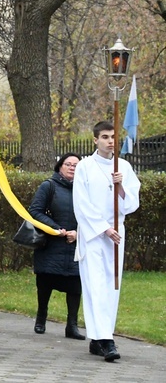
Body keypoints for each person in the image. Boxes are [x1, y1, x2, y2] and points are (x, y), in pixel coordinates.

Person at [73, 121, 140, 362]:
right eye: (104, 137)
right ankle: (105, 340)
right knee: (96, 285)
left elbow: (132, 204)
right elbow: (81, 204)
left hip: (116, 234)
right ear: (95, 140)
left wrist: (120, 185)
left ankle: (101, 337)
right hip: (94, 235)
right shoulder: (84, 167)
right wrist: (103, 229)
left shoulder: (123, 166)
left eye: (113, 136)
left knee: (112, 286)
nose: (110, 141)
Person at [27, 152, 84, 339]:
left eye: (76, 165)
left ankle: (72, 325)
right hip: (51, 245)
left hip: (76, 245)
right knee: (45, 284)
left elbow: (92, 215)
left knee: (75, 286)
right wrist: (56, 228)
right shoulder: (48, 186)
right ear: (60, 166)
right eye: (68, 164)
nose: (72, 168)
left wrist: (78, 233)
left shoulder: (85, 189)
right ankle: (41, 318)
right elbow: (35, 210)